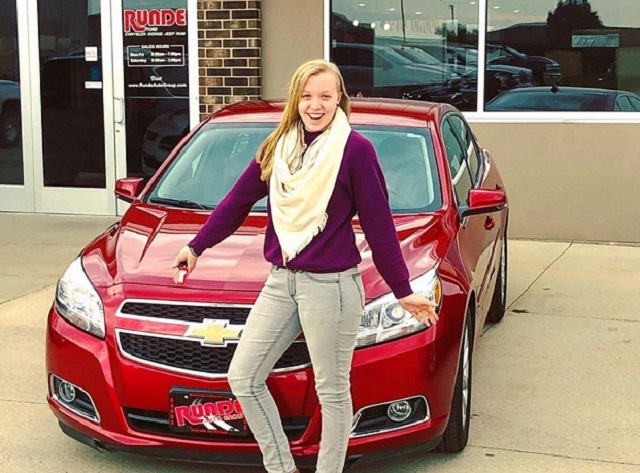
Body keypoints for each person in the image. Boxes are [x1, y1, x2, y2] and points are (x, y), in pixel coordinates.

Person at [172, 59, 439, 473]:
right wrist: (197, 245)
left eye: (326, 96)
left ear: (340, 100)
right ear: (296, 99)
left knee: (332, 391)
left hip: (330, 287)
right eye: (308, 96)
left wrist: (402, 289)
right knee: (243, 377)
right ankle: (282, 468)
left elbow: (380, 227)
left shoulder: (355, 151)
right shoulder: (278, 147)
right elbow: (236, 203)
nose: (316, 105)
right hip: (281, 282)